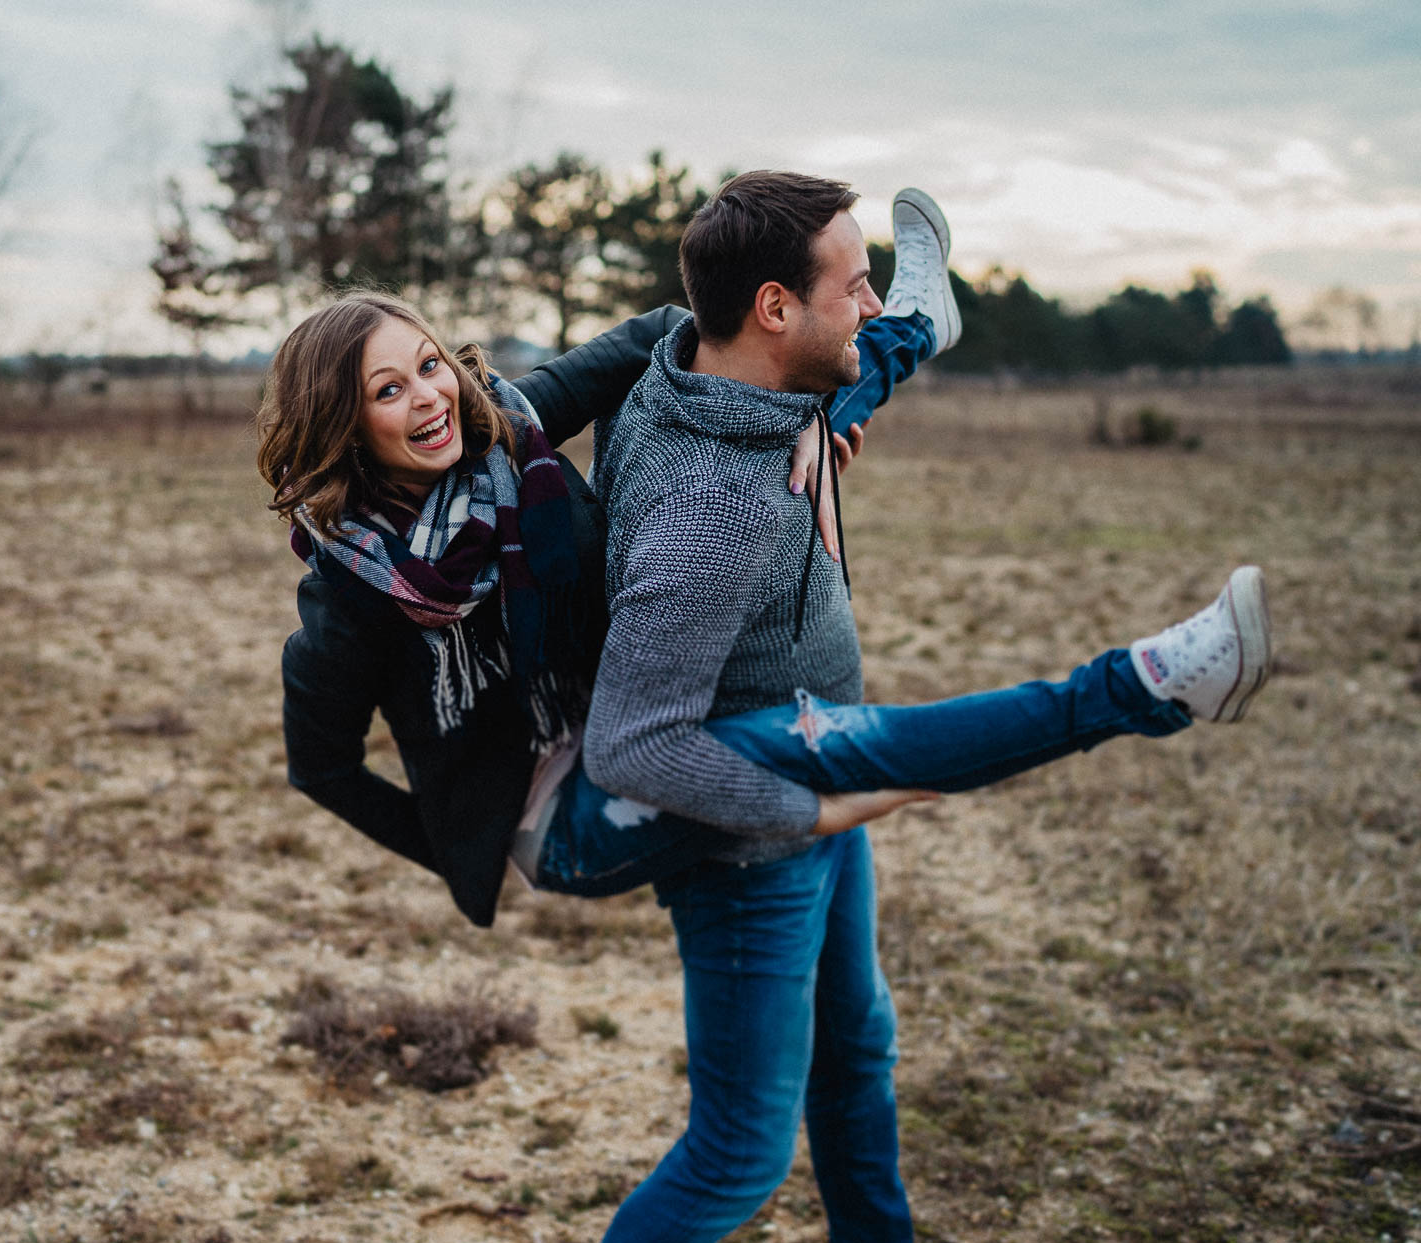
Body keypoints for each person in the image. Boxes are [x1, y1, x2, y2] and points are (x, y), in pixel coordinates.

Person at [262, 189, 1269, 943]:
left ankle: (911, 328)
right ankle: (1145, 684)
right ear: (345, 424)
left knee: (781, 403)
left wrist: (808, 418)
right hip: (564, 808)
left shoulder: (506, 430)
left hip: (625, 706)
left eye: (429, 363)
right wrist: (463, 843)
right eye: (388, 391)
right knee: (828, 742)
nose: (430, 397)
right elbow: (321, 766)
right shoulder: (349, 596)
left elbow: (680, 334)